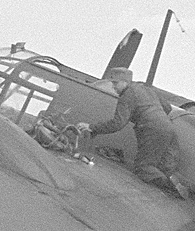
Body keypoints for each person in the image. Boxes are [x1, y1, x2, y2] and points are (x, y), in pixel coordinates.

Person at [78, 68, 186, 197]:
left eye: (115, 83)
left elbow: (118, 123)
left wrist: (92, 127)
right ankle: (189, 187)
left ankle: (171, 185)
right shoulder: (146, 89)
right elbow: (167, 108)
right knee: (163, 167)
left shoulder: (127, 95)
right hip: (168, 127)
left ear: (125, 82)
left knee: (142, 168)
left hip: (151, 129)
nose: (113, 88)